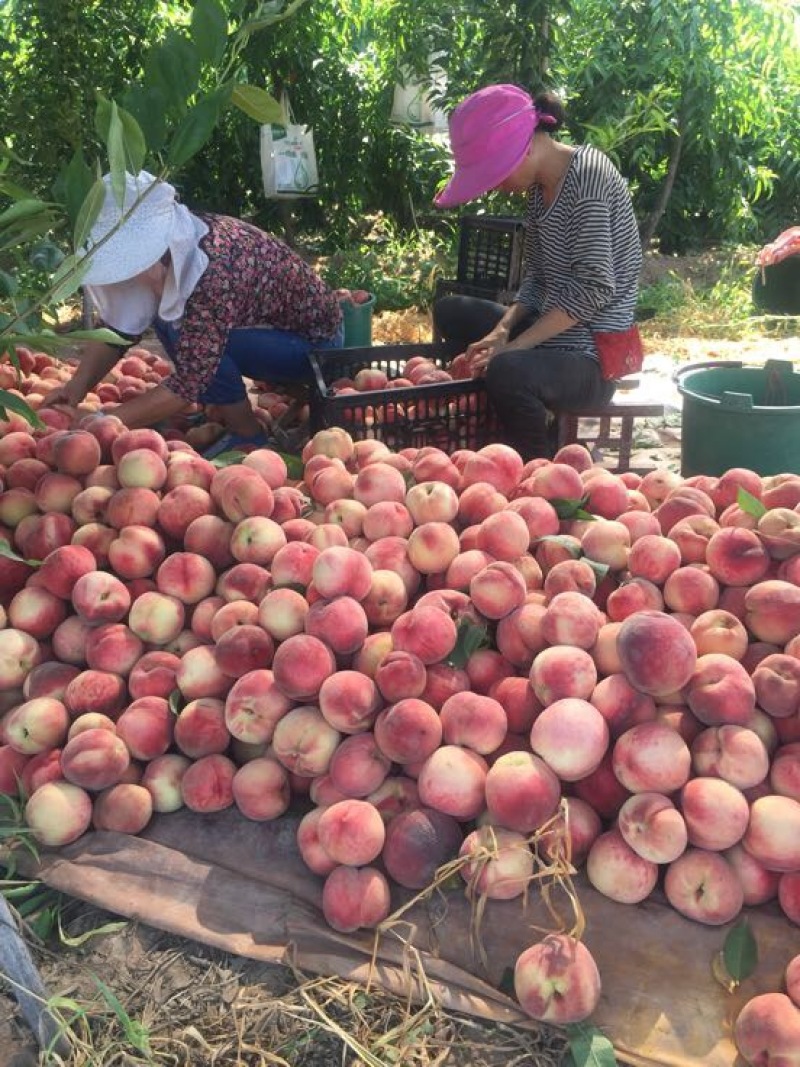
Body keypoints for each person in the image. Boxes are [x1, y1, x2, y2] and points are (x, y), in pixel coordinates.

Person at [43, 170, 343, 456]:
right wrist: (75, 388)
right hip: (268, 333)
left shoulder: (210, 270)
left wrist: (102, 423)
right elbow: (119, 330)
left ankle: (248, 435)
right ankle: (231, 413)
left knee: (186, 331)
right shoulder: (178, 252)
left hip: (314, 348)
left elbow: (191, 378)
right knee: (176, 321)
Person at [433, 84, 643, 460]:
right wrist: (500, 332)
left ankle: (536, 462)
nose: (496, 186)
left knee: (509, 370)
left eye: (495, 173)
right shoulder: (538, 189)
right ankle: (489, 413)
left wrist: (515, 347)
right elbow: (537, 278)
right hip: (551, 338)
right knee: (452, 311)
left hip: (592, 357)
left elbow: (595, 288)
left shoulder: (589, 177)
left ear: (524, 147)